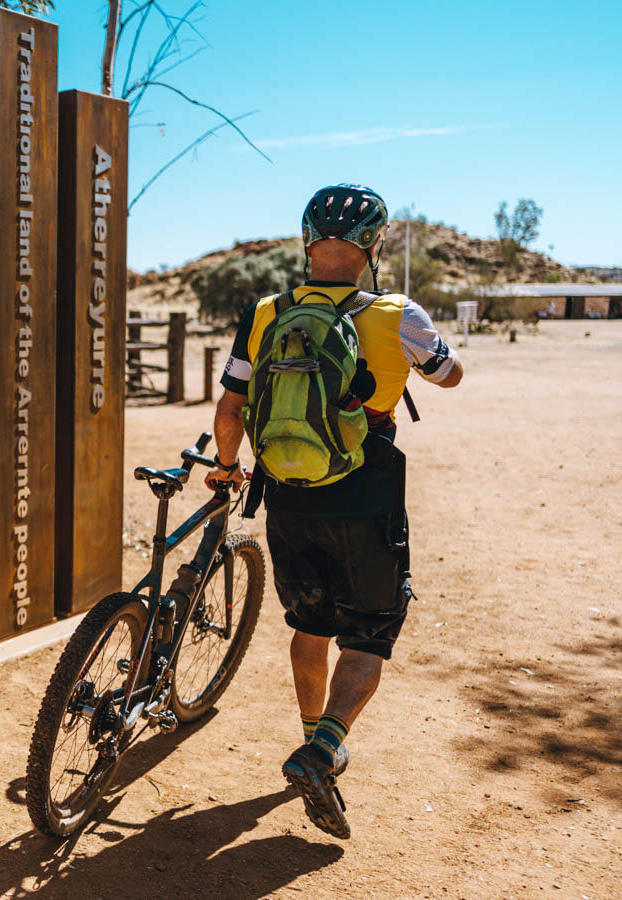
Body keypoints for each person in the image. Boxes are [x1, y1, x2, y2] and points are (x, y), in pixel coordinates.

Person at [203, 183, 464, 839]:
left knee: (311, 620)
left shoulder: (268, 310)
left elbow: (230, 406)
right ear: (374, 245)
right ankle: (324, 747)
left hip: (285, 491)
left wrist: (229, 467)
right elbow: (448, 375)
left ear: (306, 240)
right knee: (370, 629)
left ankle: (307, 734)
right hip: (365, 491)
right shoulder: (396, 311)